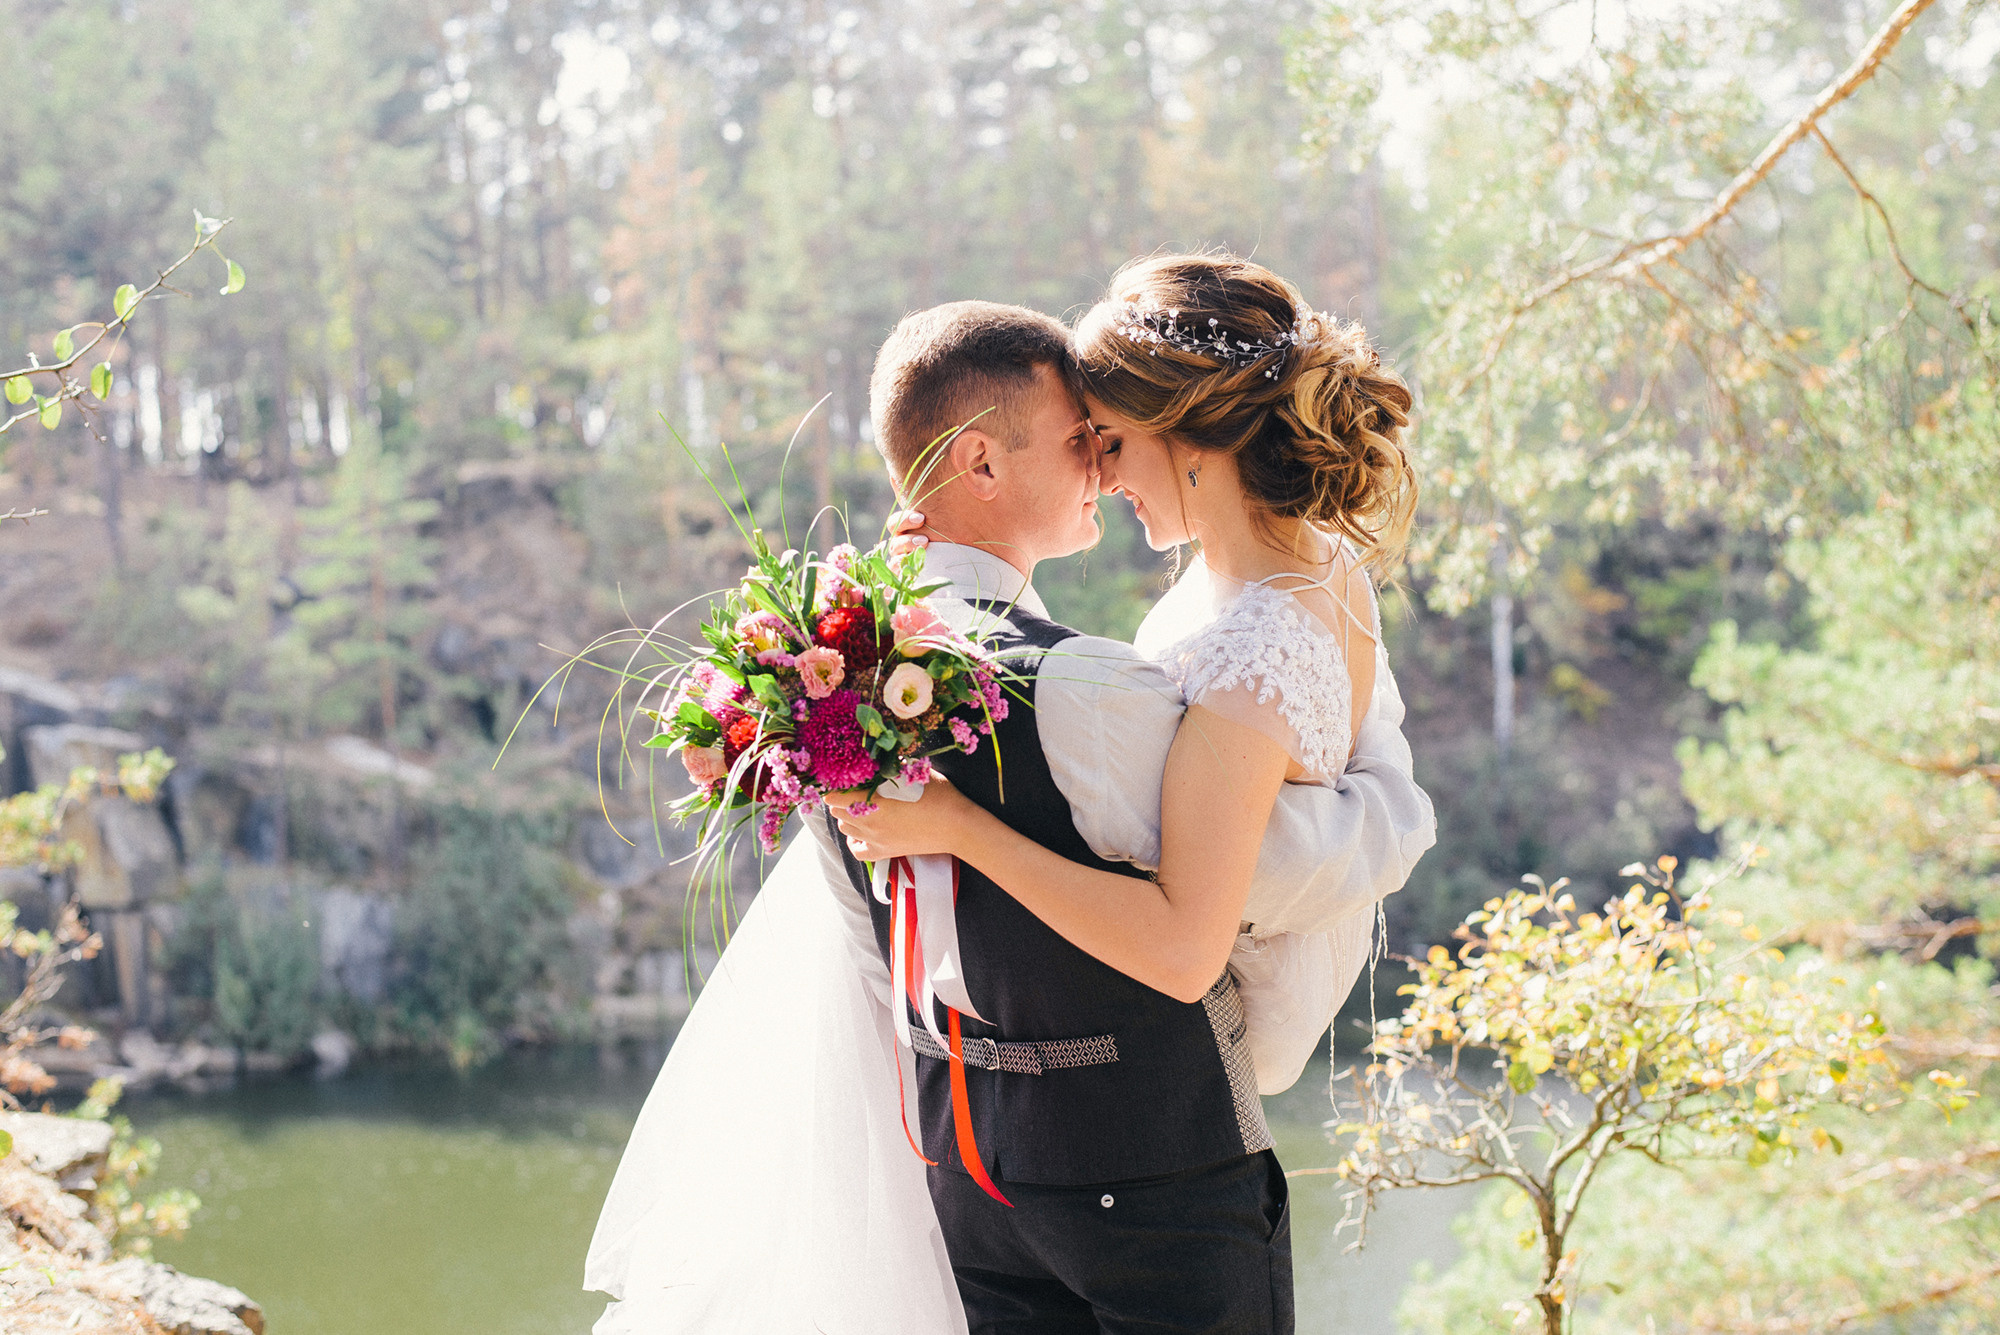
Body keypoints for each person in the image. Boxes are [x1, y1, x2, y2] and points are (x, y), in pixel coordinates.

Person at [585, 278, 1434, 1334]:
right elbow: (1217, 904)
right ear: (981, 462)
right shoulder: (1095, 688)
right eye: (1084, 438)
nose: (1099, 466)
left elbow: (863, 942)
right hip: (1153, 1161)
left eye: (1105, 437)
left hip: (962, 1163)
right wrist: (1393, 818)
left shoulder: (815, 677)